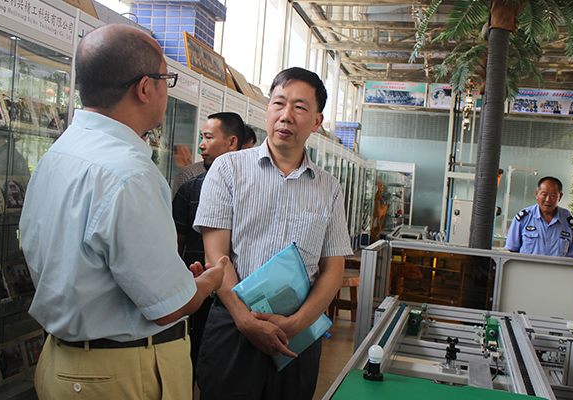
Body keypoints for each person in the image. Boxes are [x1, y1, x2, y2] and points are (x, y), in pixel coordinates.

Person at [18, 24, 224, 400]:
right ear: (144, 88)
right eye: (167, 80)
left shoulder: (59, 153)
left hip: (64, 364)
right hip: (119, 375)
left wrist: (178, 282)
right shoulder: (130, 173)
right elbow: (168, 308)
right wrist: (208, 283)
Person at [193, 67, 353, 400]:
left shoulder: (329, 188)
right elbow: (216, 255)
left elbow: (333, 269)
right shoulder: (228, 170)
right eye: (279, 103)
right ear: (267, 109)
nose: (286, 115)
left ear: (317, 121)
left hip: (297, 333)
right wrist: (245, 320)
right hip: (233, 324)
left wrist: (296, 324)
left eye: (299, 107)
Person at [172, 111, 245, 379]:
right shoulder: (189, 188)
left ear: (232, 142)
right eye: (202, 137)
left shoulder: (250, 187)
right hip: (196, 290)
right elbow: (176, 246)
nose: (201, 145)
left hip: (239, 292)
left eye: (208, 137)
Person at [505, 176, 573, 258]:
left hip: (556, 266)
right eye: (544, 195)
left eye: (553, 196)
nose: (548, 200)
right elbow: (512, 250)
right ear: (537, 194)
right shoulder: (524, 218)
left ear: (560, 197)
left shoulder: (567, 220)